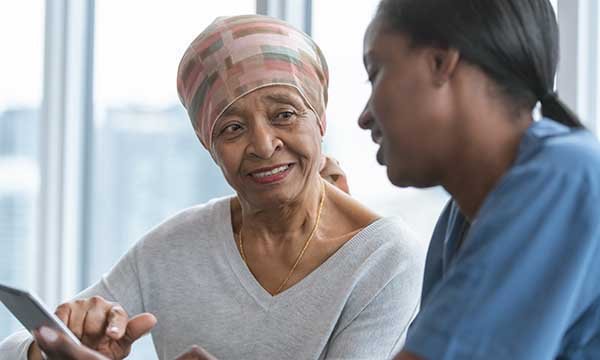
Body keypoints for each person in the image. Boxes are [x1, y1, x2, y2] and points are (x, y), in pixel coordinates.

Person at [0, 14, 424, 360]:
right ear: (210, 146)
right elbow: (12, 350)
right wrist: (54, 348)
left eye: (284, 115)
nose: (263, 145)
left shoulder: (383, 257)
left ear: (320, 120)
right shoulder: (174, 247)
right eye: (233, 128)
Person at [358, 0, 600, 358]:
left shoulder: (565, 176)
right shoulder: (456, 221)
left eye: (375, 72)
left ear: (441, 63)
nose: (364, 117)